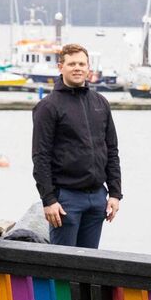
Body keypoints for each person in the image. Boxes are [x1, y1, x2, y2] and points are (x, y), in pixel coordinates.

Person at [31, 43, 122, 249]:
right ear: (60, 67)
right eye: (72, 64)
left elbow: (112, 150)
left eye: (82, 63)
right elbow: (40, 156)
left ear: (88, 68)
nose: (77, 68)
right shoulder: (47, 107)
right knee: (63, 267)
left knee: (88, 267)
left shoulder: (101, 103)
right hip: (66, 200)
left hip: (98, 197)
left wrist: (115, 193)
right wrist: (49, 199)